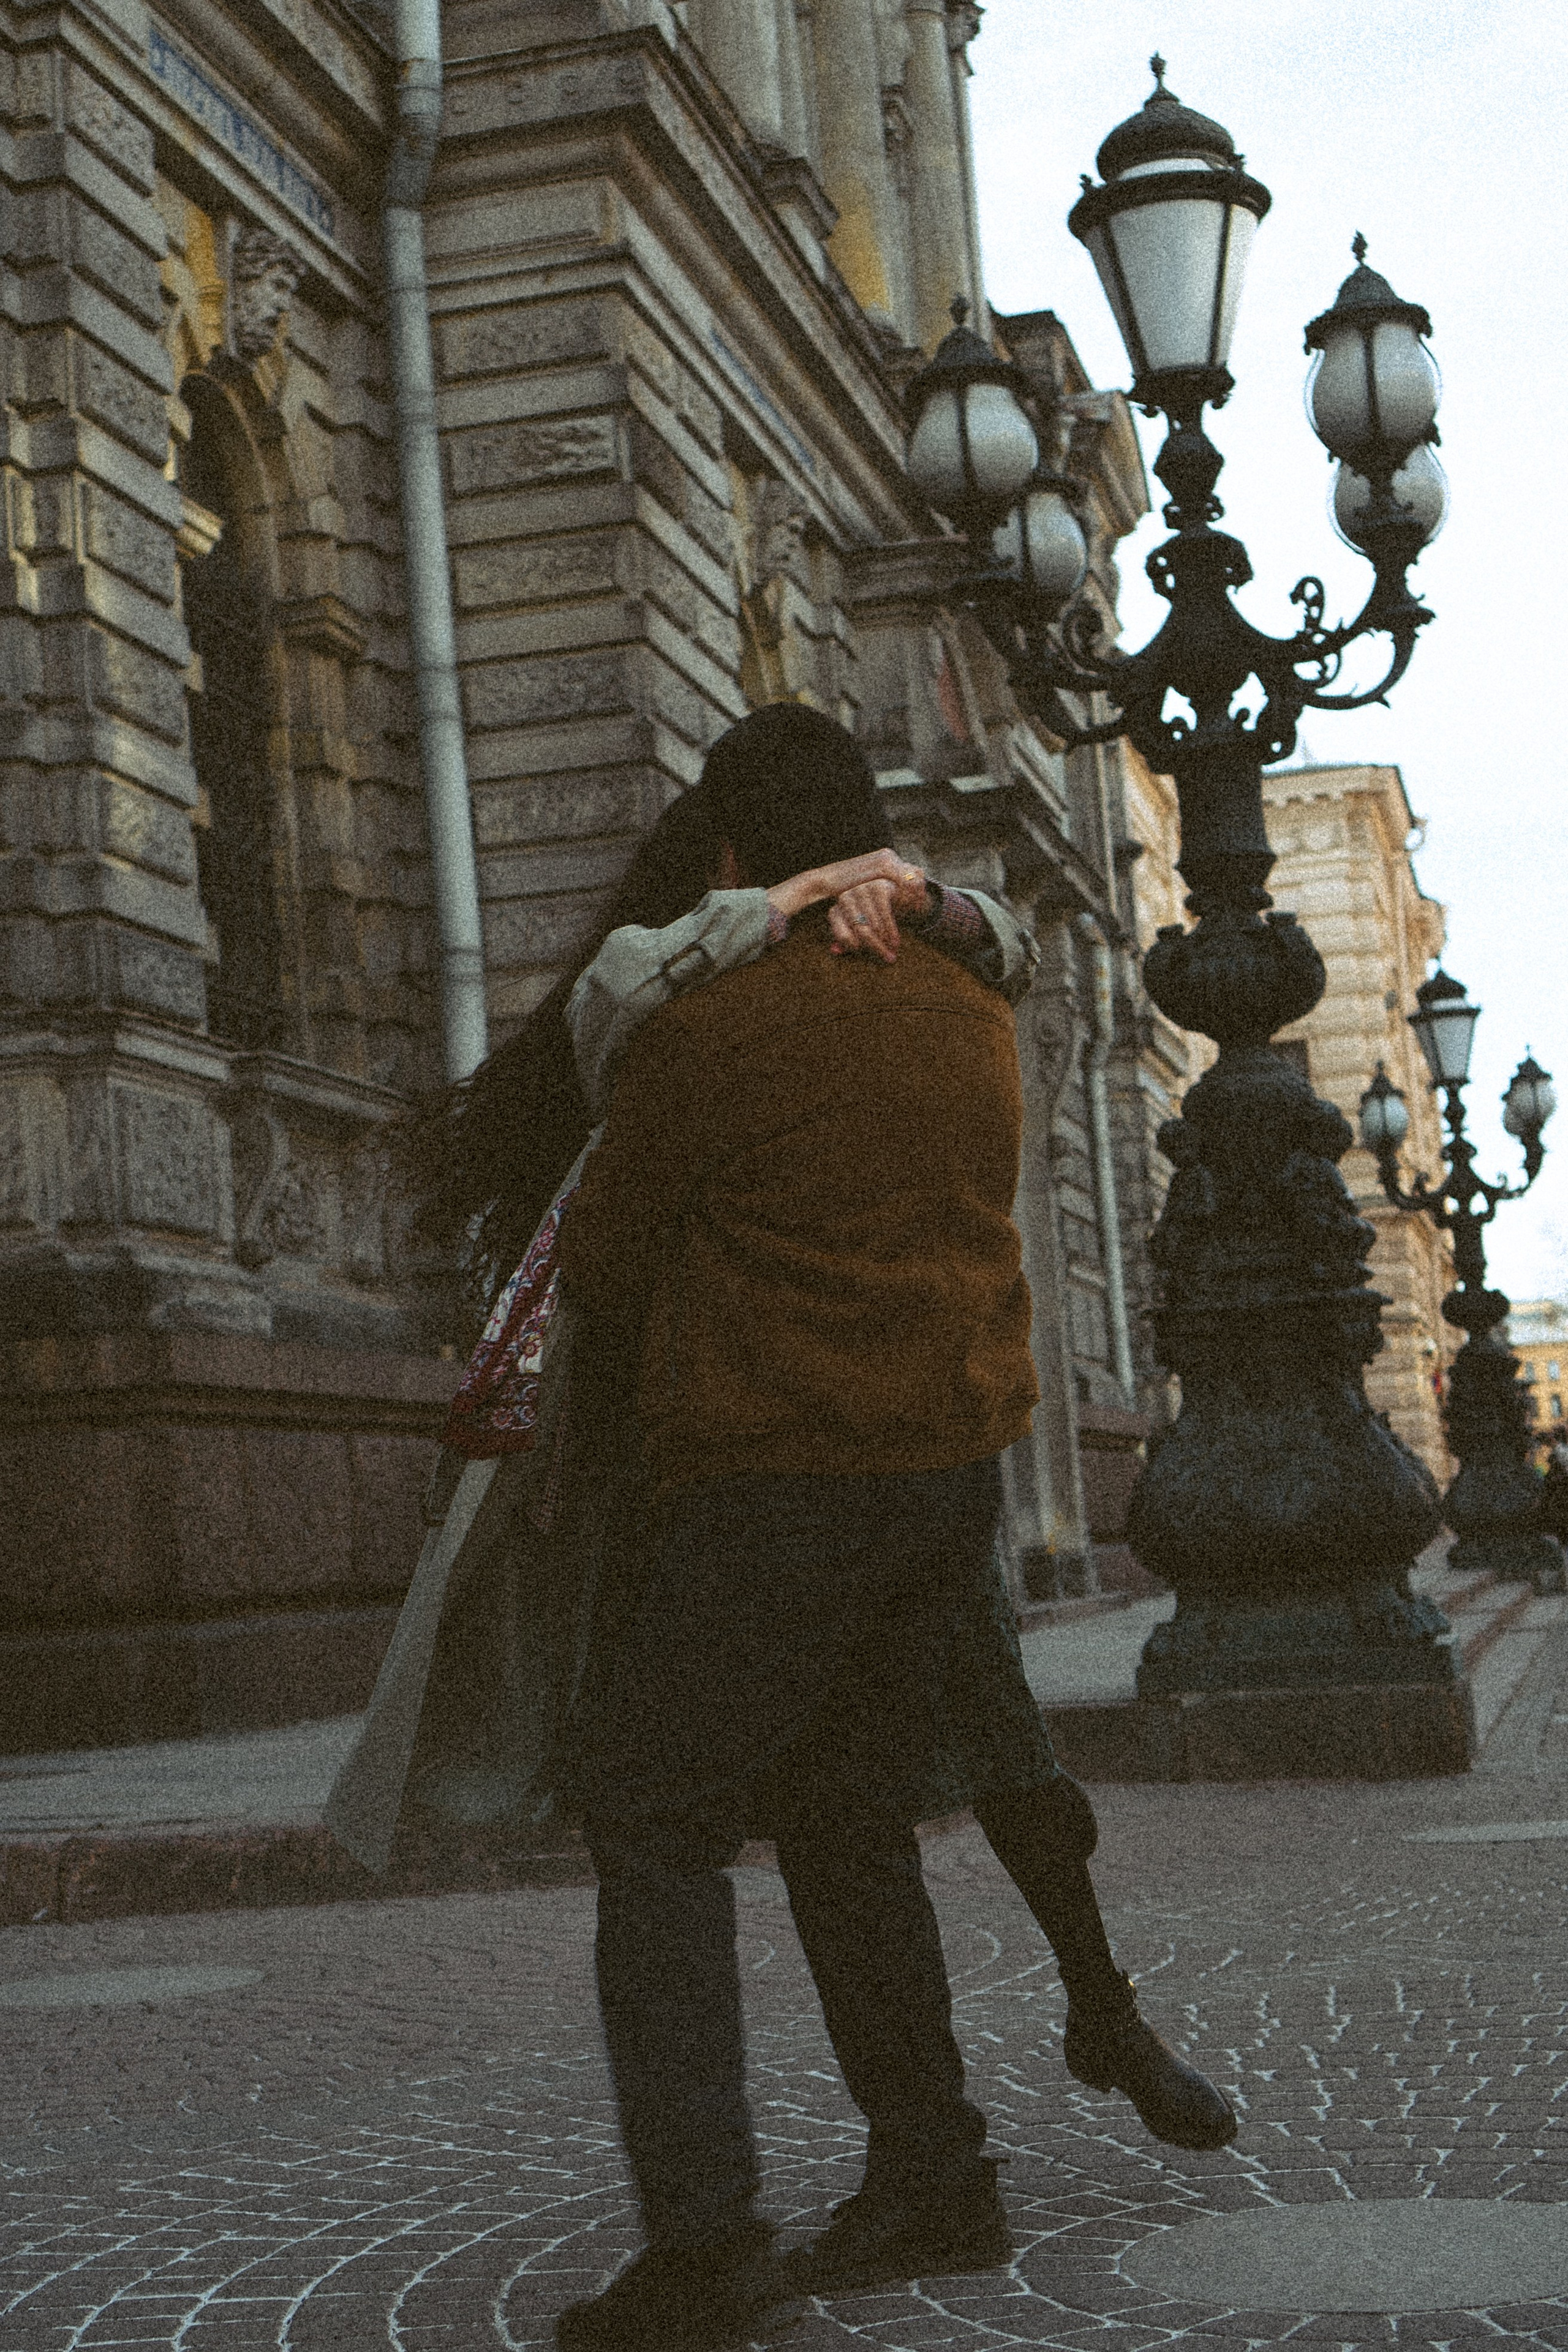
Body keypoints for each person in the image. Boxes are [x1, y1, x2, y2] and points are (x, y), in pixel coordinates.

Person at [552, 706, 1232, 2352]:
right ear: (870, 848)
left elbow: (606, 1248)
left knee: (652, 1814)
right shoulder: (971, 1014)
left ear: (731, 858)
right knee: (847, 1811)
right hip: (945, 1480)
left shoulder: (706, 1031)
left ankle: (708, 2252)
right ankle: (934, 2173)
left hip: (771, 1475)